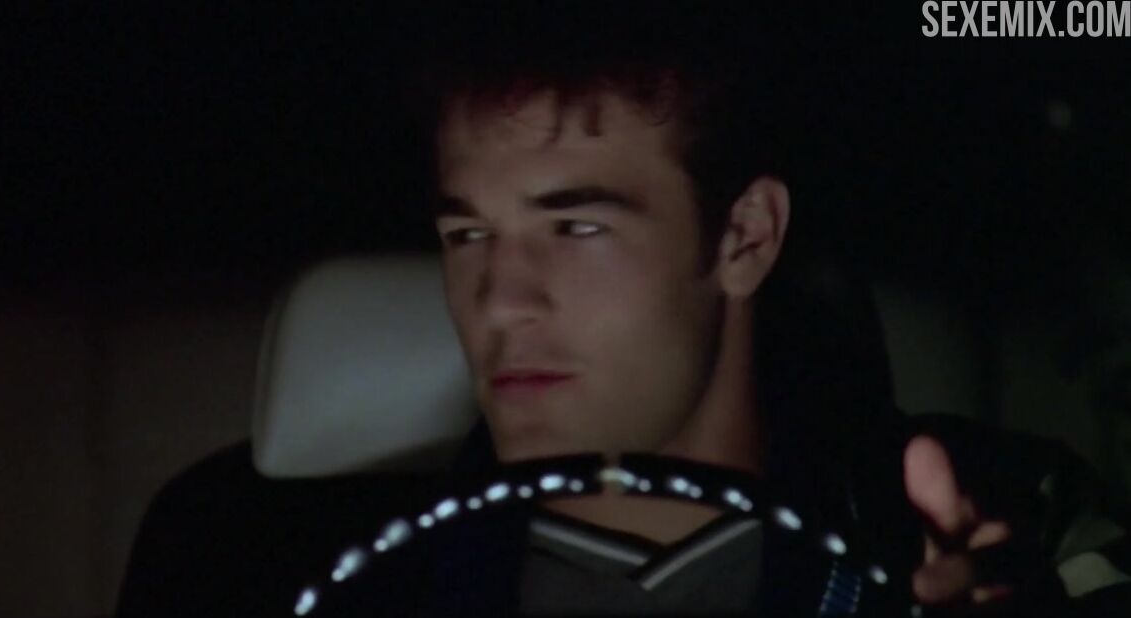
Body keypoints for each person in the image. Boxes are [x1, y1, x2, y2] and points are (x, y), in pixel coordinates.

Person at [116, 6, 1130, 616]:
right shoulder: (273, 571)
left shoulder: (1009, 528)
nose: (501, 300)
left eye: (577, 227)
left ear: (744, 238)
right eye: (468, 234)